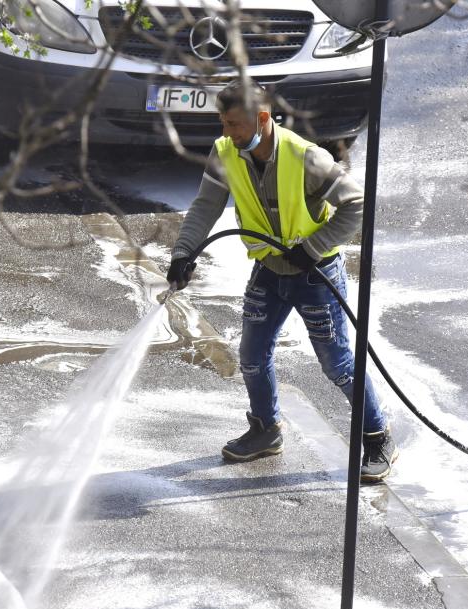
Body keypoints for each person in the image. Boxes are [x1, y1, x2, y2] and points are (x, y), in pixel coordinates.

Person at [165, 80, 397, 482]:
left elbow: (357, 205)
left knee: (338, 363)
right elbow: (204, 207)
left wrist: (313, 247)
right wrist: (184, 253)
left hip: (316, 275)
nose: (227, 132)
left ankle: (378, 439)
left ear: (262, 118)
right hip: (270, 271)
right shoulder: (226, 154)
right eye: (222, 122)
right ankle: (265, 430)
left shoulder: (306, 158)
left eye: (234, 123)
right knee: (252, 355)